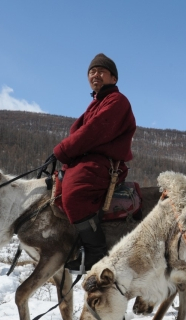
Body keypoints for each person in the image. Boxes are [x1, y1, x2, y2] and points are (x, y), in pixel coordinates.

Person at [52, 53, 136, 270]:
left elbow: (93, 131)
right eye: (92, 71)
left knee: (75, 194)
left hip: (103, 163)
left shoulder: (118, 101)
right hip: (85, 159)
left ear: (114, 78)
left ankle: (96, 253)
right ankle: (75, 243)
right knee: (56, 189)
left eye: (101, 71)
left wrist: (62, 149)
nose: (95, 75)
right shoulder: (95, 104)